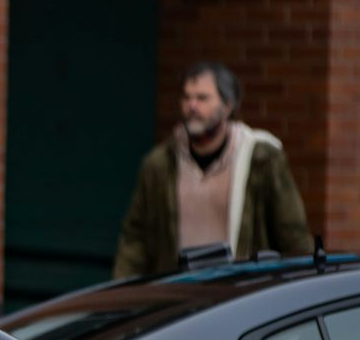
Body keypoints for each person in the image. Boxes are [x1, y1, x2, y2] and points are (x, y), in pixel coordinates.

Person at [113, 61, 312, 278]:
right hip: (179, 293)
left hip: (241, 293)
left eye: (202, 98)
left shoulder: (261, 159)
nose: (192, 106)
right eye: (186, 98)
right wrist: (120, 295)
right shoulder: (160, 164)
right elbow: (136, 238)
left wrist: (305, 287)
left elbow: (292, 234)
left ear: (228, 105)